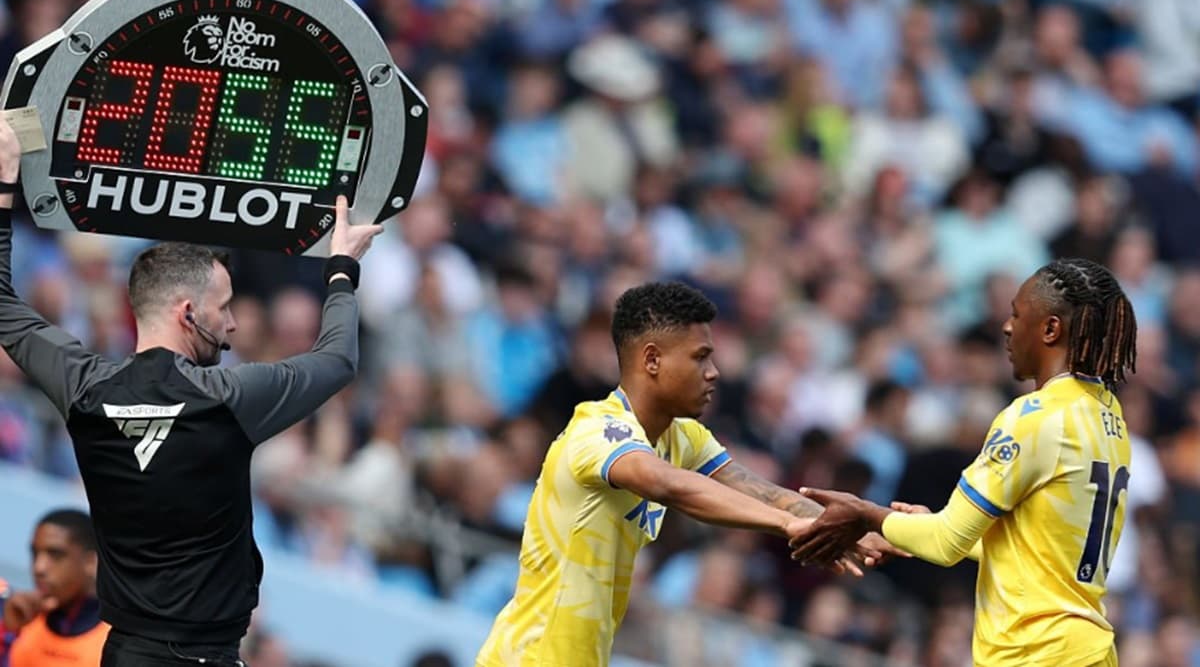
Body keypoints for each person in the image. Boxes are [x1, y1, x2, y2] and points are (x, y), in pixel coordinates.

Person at [0, 118, 384, 666]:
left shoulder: (83, 386)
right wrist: (341, 270)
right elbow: (338, 359)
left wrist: (2, 186)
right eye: (223, 307)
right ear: (188, 313)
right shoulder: (230, 398)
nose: (230, 325)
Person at [476, 281, 896, 667]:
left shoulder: (684, 437)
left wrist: (852, 526)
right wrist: (790, 524)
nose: (714, 372)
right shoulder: (598, 430)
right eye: (700, 357)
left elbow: (763, 491)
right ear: (653, 360)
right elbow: (668, 484)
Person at [790, 258, 1138, 667]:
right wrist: (920, 524)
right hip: (1090, 650)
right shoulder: (1109, 416)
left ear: (1050, 329)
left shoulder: (1035, 418)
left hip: (1034, 652)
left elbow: (945, 542)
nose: (1006, 328)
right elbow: (1039, 552)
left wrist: (866, 514)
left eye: (1016, 314)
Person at [0, 509, 108, 666]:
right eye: (35, 553)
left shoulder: (119, 637)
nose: (39, 567)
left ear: (91, 561)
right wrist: (8, 632)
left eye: (55, 554)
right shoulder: (17, 617)